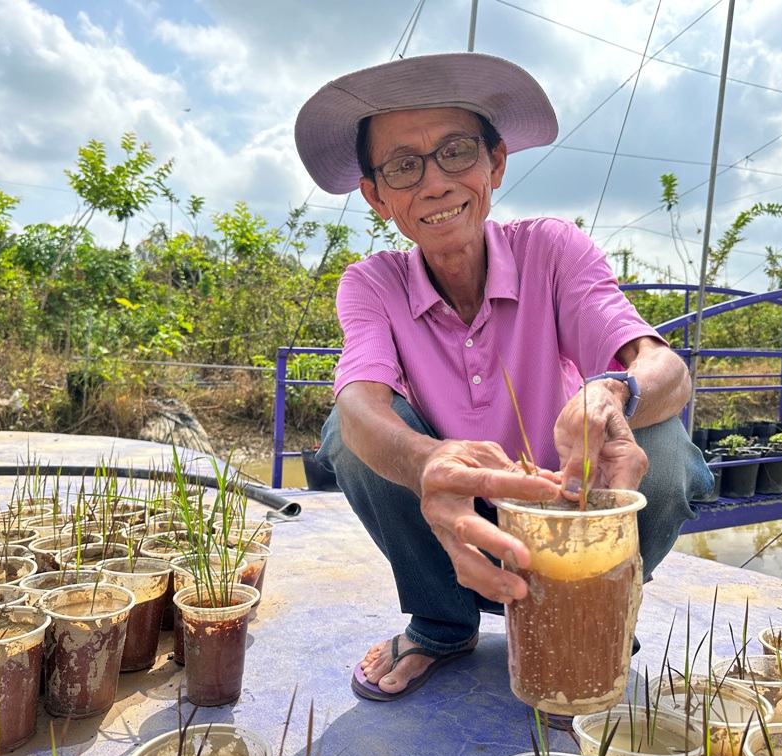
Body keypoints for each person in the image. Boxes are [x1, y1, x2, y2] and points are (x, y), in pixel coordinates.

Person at [294, 52, 713, 703]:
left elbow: (664, 369)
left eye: (456, 152)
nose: (434, 184)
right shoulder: (373, 283)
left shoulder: (553, 249)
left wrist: (614, 391)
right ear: (376, 195)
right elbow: (359, 402)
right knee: (349, 438)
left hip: (572, 497)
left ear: (495, 163)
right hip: (452, 504)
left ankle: (596, 609)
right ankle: (441, 620)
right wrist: (429, 461)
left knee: (663, 451)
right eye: (404, 166)